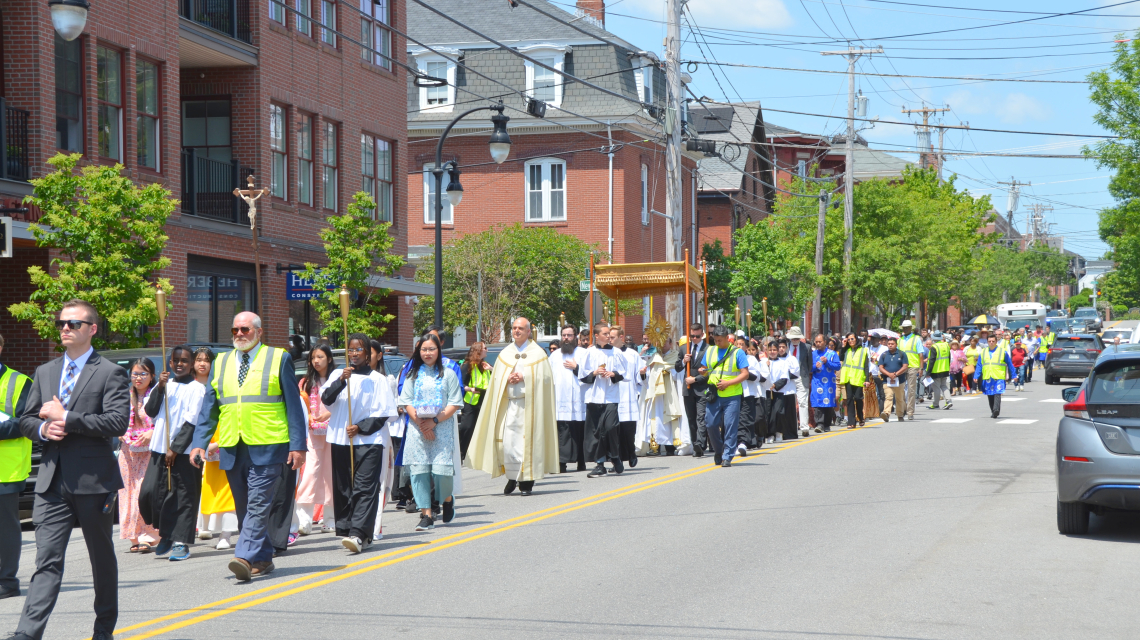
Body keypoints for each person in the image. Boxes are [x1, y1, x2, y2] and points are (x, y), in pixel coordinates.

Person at [13, 299, 131, 640]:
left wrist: (67, 418)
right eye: (62, 323)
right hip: (52, 482)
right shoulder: (45, 371)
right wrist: (42, 429)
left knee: (100, 560)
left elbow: (117, 422)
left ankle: (103, 630)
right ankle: (27, 633)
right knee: (46, 561)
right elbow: (27, 419)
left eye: (73, 323)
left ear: (92, 329)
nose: (65, 328)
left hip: (93, 482)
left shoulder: (110, 372)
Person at [189, 312, 307, 583]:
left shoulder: (279, 358)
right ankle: (263, 558)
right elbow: (210, 407)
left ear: (259, 332)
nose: (239, 334)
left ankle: (243, 556)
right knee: (243, 506)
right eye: (235, 330)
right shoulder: (221, 361)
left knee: (257, 503)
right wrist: (199, 443)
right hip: (232, 445)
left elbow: (293, 407)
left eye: (245, 329)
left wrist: (298, 446)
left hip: (269, 443)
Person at [320, 334, 395, 553]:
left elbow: (384, 414)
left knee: (365, 487)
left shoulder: (378, 379)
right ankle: (351, 528)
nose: (354, 354)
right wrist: (341, 381)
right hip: (341, 440)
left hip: (369, 440)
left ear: (369, 354)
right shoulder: (338, 374)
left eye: (359, 350)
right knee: (344, 487)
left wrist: (361, 427)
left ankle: (358, 534)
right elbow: (327, 400)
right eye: (350, 350)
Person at [467, 318, 559, 495]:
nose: (516, 331)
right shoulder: (505, 353)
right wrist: (507, 377)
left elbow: (546, 379)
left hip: (529, 405)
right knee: (508, 444)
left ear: (528, 331)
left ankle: (526, 483)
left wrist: (524, 376)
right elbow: (496, 378)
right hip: (509, 404)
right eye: (514, 328)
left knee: (526, 444)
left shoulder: (538, 353)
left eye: (520, 328)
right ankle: (511, 477)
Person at [141, 346, 206, 561]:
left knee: (183, 496)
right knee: (151, 493)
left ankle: (180, 543)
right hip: (159, 448)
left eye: (184, 360)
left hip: (184, 450)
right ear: (169, 363)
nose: (180, 364)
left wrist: (175, 449)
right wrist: (159, 387)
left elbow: (191, 421)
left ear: (192, 364)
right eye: (176, 360)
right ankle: (166, 533)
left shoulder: (197, 388)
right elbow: (150, 411)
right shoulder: (164, 385)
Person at [398, 333, 463, 531]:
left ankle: (447, 498)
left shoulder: (449, 374)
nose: (427, 353)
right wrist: (421, 424)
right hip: (417, 430)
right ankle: (426, 514)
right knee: (418, 472)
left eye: (431, 349)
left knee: (442, 472)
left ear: (438, 351)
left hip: (441, 428)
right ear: (419, 351)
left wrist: (434, 422)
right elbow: (406, 401)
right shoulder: (412, 374)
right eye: (424, 349)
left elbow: (455, 403)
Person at [193, 348, 239, 549]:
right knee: (209, 487)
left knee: (228, 489)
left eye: (206, 360)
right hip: (205, 444)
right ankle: (206, 525)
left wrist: (219, 442)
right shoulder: (190, 388)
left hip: (226, 440)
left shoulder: (225, 386)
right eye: (198, 360)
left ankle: (226, 535)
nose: (202, 364)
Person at [115, 358, 161, 555]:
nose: (138, 378)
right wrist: (119, 429)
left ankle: (149, 534)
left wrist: (153, 432)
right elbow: (115, 418)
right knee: (127, 493)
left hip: (150, 451)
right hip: (127, 452)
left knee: (144, 491)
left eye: (143, 374)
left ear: (152, 376)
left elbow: (167, 420)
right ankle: (134, 536)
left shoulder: (158, 396)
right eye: (135, 374)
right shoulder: (124, 396)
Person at [688, 325, 750, 467]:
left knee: (729, 425)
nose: (717, 343)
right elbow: (705, 368)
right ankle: (718, 450)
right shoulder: (710, 350)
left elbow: (745, 374)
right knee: (710, 424)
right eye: (715, 340)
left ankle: (728, 455)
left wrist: (728, 383)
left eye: (720, 340)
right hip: (713, 394)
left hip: (732, 395)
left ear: (727, 338)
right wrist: (702, 371)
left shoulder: (737, 353)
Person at [0, 334, 32, 600]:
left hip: (5, 470)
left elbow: (26, 423)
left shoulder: (19, 382)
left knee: (6, 527)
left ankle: (7, 581)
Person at [295, 345, 335, 537]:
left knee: (330, 475)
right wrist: (310, 417)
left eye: (320, 357)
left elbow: (343, 403)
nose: (316, 361)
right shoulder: (305, 382)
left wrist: (327, 414)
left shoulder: (336, 379)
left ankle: (330, 519)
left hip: (334, 432)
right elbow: (301, 407)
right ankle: (304, 520)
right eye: (313, 358)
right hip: (312, 433)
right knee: (310, 473)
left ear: (328, 358)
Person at [580, 322, 627, 477]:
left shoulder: (617, 352)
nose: (609, 336)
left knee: (610, 427)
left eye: (609, 334)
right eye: (605, 334)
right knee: (596, 431)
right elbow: (581, 374)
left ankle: (615, 456)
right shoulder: (588, 353)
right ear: (597, 336)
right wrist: (594, 372)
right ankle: (600, 464)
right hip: (594, 397)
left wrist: (613, 374)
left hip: (611, 396)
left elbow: (625, 372)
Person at [636, 336, 689, 456]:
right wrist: (644, 374)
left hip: (671, 393)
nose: (662, 344)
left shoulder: (676, 356)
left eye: (665, 341)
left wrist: (669, 372)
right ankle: (655, 447)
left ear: (670, 343)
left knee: (670, 419)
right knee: (656, 420)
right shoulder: (655, 357)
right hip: (657, 395)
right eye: (659, 342)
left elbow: (679, 374)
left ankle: (670, 447)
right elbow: (649, 375)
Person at [551, 326, 587, 472]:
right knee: (563, 431)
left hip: (579, 397)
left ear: (575, 336)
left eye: (569, 335)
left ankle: (581, 461)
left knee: (580, 430)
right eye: (564, 335)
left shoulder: (584, 353)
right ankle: (562, 463)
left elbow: (591, 373)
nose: (566, 338)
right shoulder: (554, 356)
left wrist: (577, 367)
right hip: (560, 399)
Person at [675, 324, 709, 457]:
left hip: (701, 387)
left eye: (697, 336)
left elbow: (709, 370)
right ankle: (696, 444)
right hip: (688, 390)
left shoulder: (708, 349)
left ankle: (700, 444)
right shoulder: (684, 348)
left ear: (702, 335)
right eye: (692, 336)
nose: (694, 338)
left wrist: (695, 379)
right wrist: (684, 361)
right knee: (691, 418)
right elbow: (677, 367)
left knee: (701, 417)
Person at [612, 325, 642, 468]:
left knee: (628, 429)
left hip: (628, 394)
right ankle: (616, 459)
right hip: (612, 394)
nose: (610, 340)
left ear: (621, 337)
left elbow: (639, 375)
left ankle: (631, 452)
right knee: (613, 430)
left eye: (613, 337)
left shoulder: (632, 354)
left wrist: (642, 374)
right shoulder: (608, 353)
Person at [458, 342, 492, 461]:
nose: (487, 350)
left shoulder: (486, 365)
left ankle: (479, 454)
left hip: (485, 401)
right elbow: (461, 384)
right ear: (478, 350)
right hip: (471, 402)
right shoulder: (467, 365)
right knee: (467, 427)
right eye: (485, 348)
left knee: (482, 429)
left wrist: (492, 369)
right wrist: (471, 389)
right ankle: (462, 452)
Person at [975, 335, 1016, 419]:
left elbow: (1010, 364)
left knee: (997, 393)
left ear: (996, 342)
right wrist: (976, 375)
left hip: (998, 376)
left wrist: (1014, 375)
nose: (991, 343)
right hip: (988, 376)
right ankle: (993, 411)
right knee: (990, 394)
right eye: (989, 341)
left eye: (993, 341)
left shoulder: (1002, 351)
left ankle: (996, 409)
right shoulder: (983, 352)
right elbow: (979, 365)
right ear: (987, 342)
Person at [809, 335, 841, 434]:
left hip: (829, 383)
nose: (818, 344)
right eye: (816, 342)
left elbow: (837, 366)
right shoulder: (813, 354)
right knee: (818, 402)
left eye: (820, 342)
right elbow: (808, 368)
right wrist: (815, 367)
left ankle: (827, 424)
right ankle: (819, 424)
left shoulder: (832, 353)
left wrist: (827, 363)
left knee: (828, 402)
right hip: (817, 382)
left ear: (825, 342)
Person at [767, 340, 798, 442]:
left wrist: (775, 385)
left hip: (779, 390)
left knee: (778, 412)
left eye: (774, 350)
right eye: (770, 350)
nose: (772, 352)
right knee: (768, 413)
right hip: (766, 390)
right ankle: (769, 434)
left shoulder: (783, 362)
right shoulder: (764, 362)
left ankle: (779, 432)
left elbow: (785, 377)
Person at [785, 327, 812, 432]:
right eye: (793, 338)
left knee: (803, 402)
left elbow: (809, 364)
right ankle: (792, 427)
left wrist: (804, 374)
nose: (795, 340)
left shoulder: (807, 347)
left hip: (801, 377)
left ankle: (804, 427)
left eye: (797, 338)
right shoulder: (785, 347)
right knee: (790, 402)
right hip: (788, 378)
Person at [897, 321, 926, 420]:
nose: (905, 329)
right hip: (901, 366)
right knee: (900, 389)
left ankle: (910, 412)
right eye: (904, 327)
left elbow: (920, 355)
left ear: (911, 328)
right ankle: (903, 408)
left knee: (911, 389)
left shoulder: (916, 339)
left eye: (907, 327)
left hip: (913, 366)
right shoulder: (900, 340)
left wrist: (921, 368)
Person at [839, 333, 868, 428]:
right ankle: (851, 422)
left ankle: (860, 417)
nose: (850, 341)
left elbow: (866, 366)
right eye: (849, 339)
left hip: (859, 378)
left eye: (852, 339)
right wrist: (843, 346)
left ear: (856, 339)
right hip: (848, 378)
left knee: (858, 398)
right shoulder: (846, 350)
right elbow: (841, 358)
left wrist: (867, 379)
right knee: (849, 400)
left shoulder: (863, 350)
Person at [877, 337, 909, 423]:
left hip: (900, 380)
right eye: (889, 344)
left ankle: (900, 414)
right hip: (887, 380)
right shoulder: (884, 355)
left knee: (899, 398)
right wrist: (889, 374)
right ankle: (886, 413)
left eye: (892, 344)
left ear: (896, 345)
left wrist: (896, 374)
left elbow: (905, 366)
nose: (890, 345)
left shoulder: (902, 354)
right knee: (888, 396)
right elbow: (880, 367)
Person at [927, 332, 953, 410]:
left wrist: (928, 372)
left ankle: (935, 404)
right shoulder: (946, 345)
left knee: (936, 388)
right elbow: (949, 357)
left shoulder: (934, 347)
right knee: (944, 386)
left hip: (936, 370)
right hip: (945, 369)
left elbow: (931, 360)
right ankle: (948, 401)